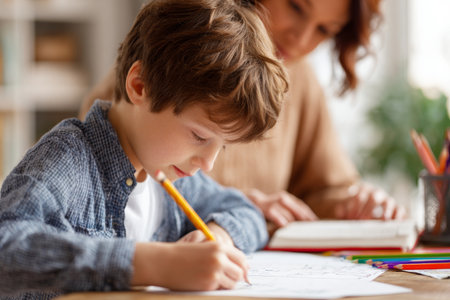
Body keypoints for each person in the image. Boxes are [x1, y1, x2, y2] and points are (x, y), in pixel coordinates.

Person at [0, 0, 288, 298]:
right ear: (139, 86)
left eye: (223, 147)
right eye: (199, 136)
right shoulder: (69, 160)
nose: (208, 164)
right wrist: (154, 263)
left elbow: (245, 211)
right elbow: (6, 249)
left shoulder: (167, 175)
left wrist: (217, 236)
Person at [79, 0, 406, 229]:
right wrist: (229, 204)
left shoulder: (298, 76)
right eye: (295, 6)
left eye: (324, 29)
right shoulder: (180, 59)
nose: (302, 37)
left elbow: (320, 190)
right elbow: (112, 187)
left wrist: (352, 202)